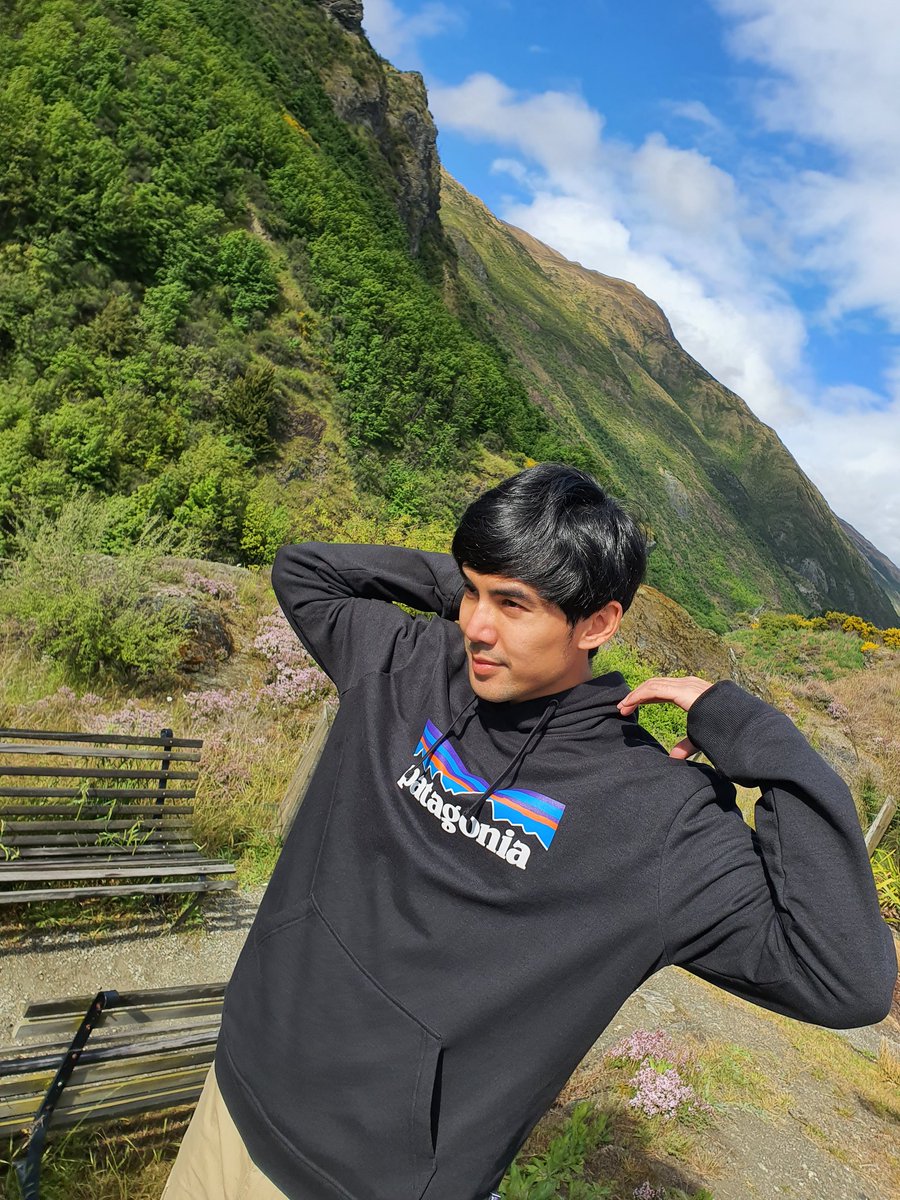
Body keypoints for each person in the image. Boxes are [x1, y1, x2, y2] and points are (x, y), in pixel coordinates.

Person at [162, 463, 897, 1200]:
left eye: (515, 605)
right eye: (471, 594)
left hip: (371, 1182)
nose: (477, 628)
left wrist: (747, 731)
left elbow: (846, 980)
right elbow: (306, 571)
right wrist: (485, 583)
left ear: (598, 623)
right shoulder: (408, 663)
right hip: (237, 1089)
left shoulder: (657, 815)